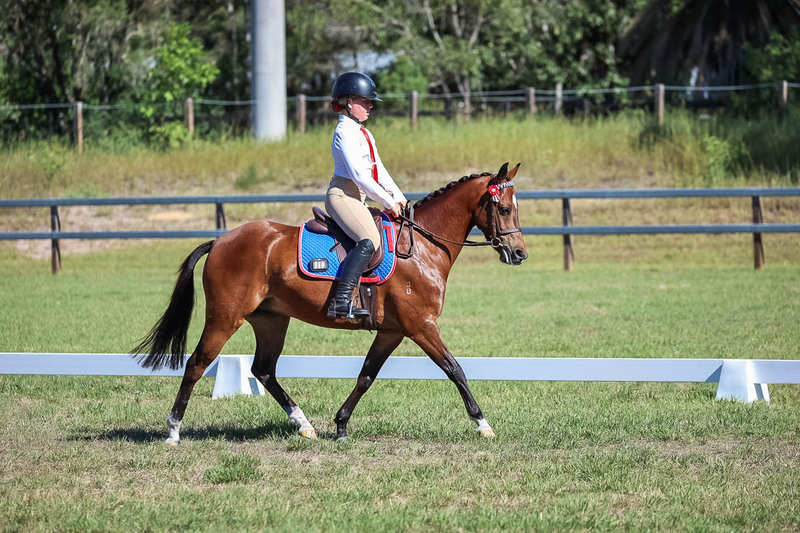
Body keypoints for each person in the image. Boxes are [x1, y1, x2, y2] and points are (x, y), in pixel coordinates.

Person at [325, 71, 407, 318]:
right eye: (365, 101)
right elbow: (360, 176)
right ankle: (341, 301)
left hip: (357, 198)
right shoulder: (343, 133)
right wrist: (387, 202)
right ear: (349, 101)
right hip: (343, 196)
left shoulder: (364, 133)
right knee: (370, 239)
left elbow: (378, 169)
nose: (370, 105)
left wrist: (399, 197)